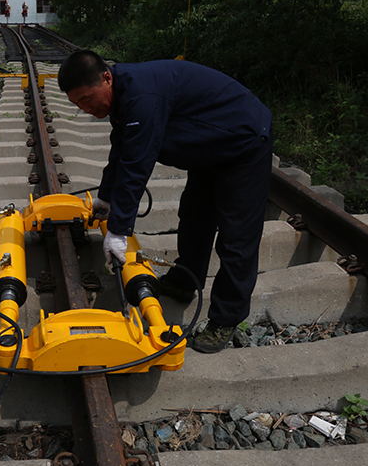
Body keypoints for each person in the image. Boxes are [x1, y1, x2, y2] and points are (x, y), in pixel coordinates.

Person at [57, 50, 272, 353]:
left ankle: (226, 318)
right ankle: (186, 281)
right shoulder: (122, 94)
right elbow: (121, 147)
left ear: (106, 77)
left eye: (87, 99)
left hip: (243, 142)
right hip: (209, 145)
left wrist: (119, 231)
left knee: (237, 237)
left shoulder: (143, 95)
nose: (85, 108)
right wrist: (106, 197)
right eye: (77, 104)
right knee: (195, 217)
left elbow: (136, 164)